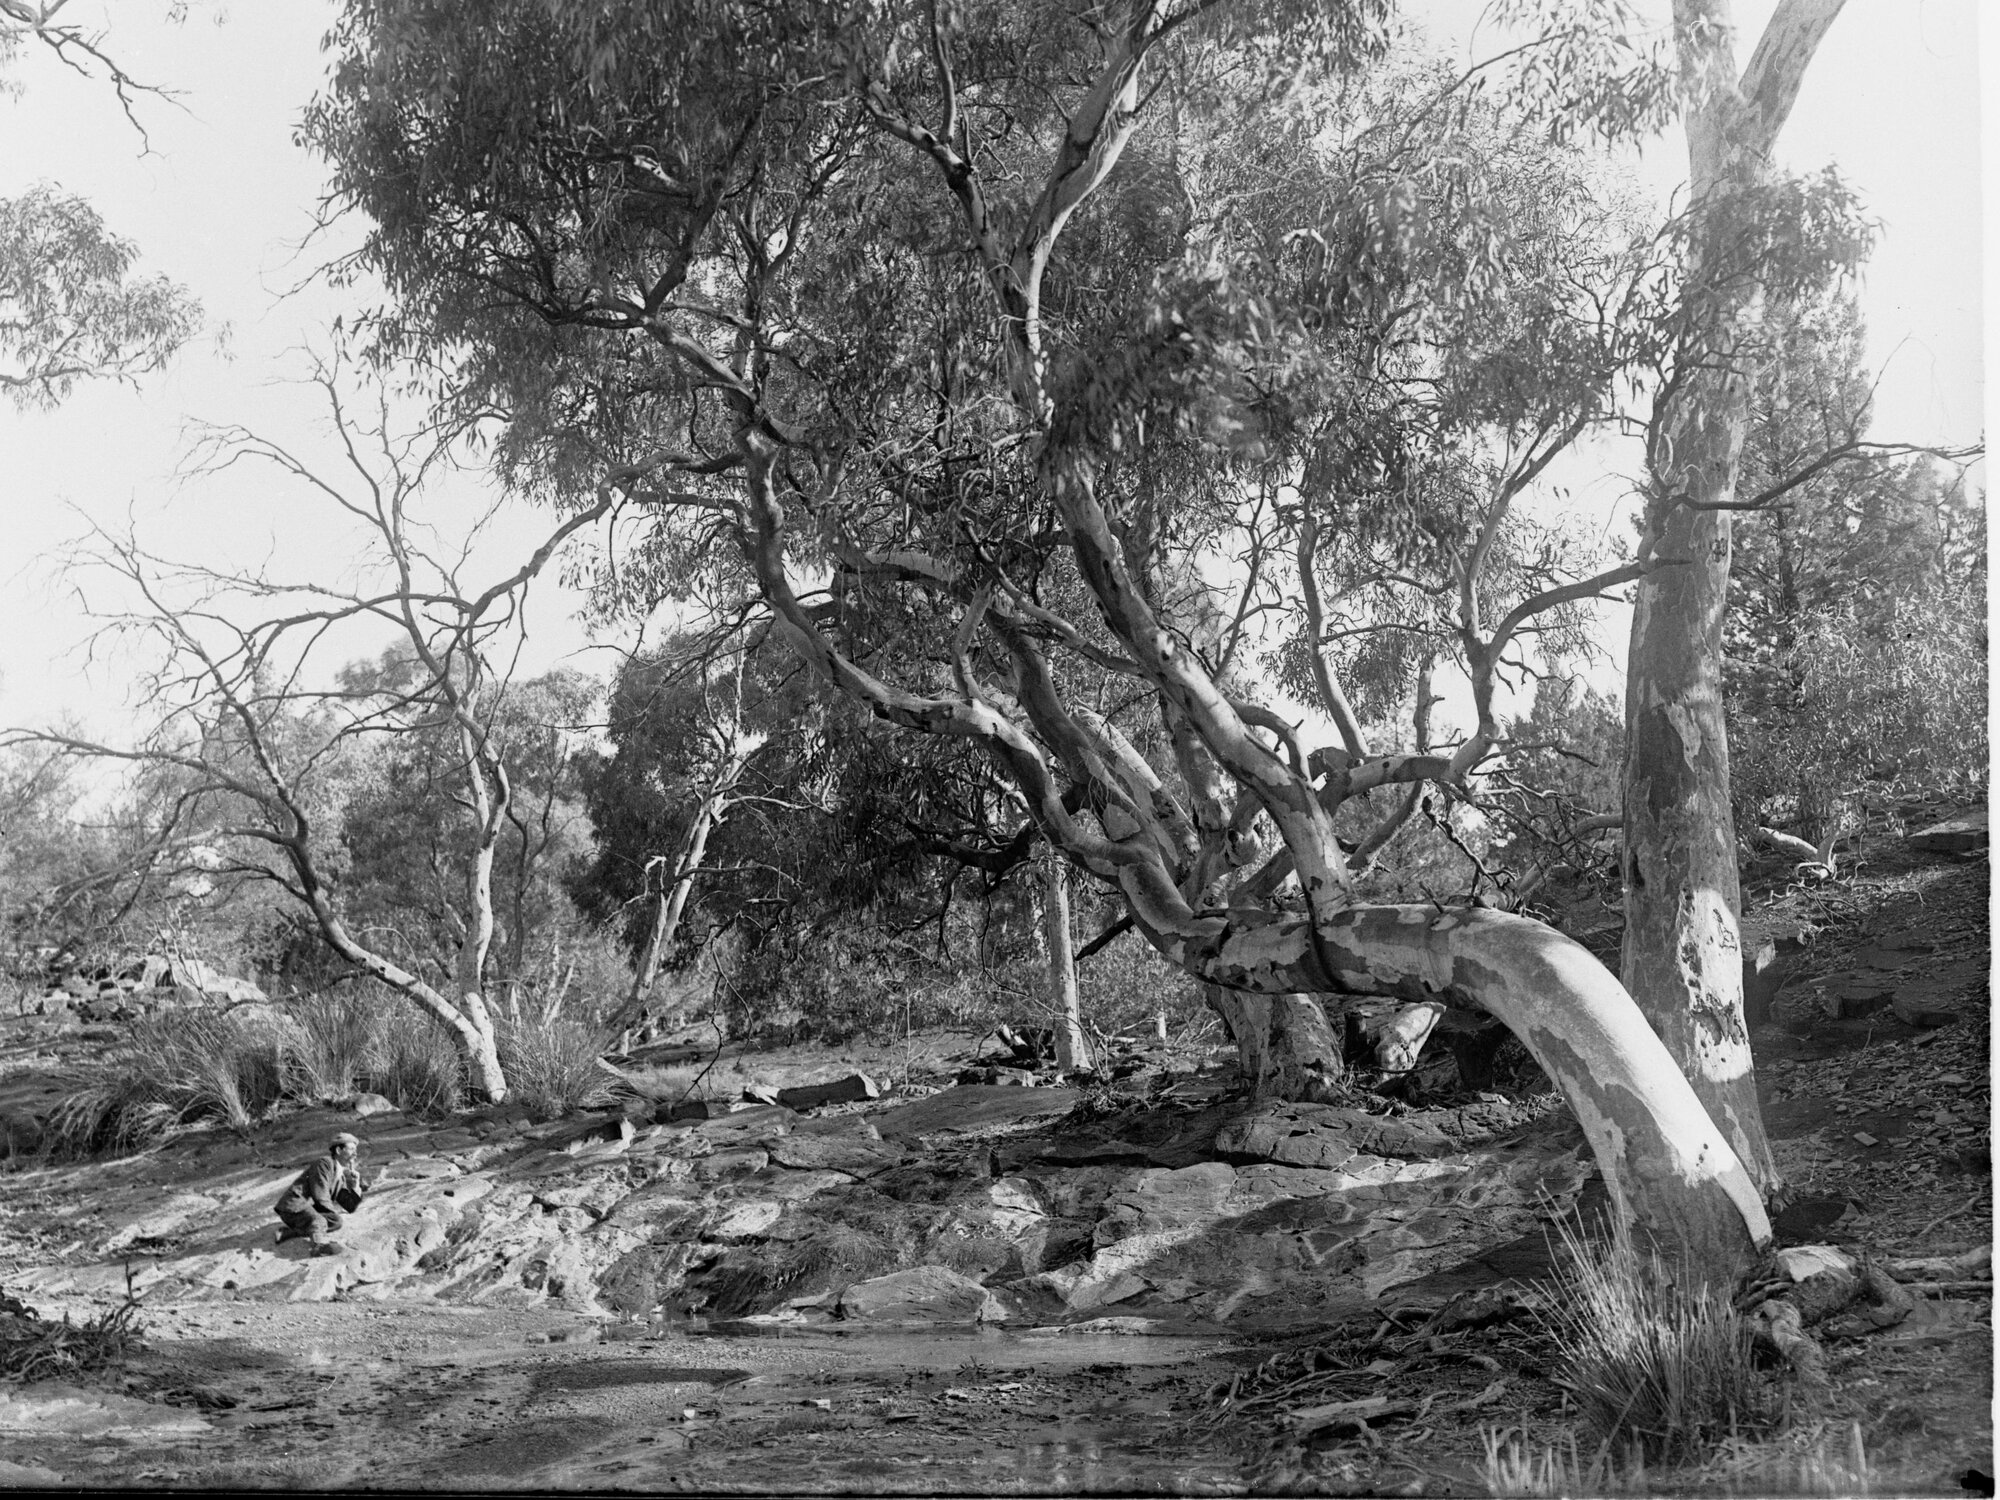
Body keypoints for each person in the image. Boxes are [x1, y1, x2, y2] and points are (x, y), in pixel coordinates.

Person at [274, 1132, 365, 1255]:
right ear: (338, 1150)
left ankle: (287, 1233)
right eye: (352, 1149)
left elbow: (350, 1206)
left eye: (356, 1150)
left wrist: (355, 1185)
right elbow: (320, 1195)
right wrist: (327, 1215)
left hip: (306, 1209)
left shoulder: (340, 1175)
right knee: (321, 1220)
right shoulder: (324, 1163)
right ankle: (318, 1246)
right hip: (293, 1205)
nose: (355, 1153)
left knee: (336, 1221)